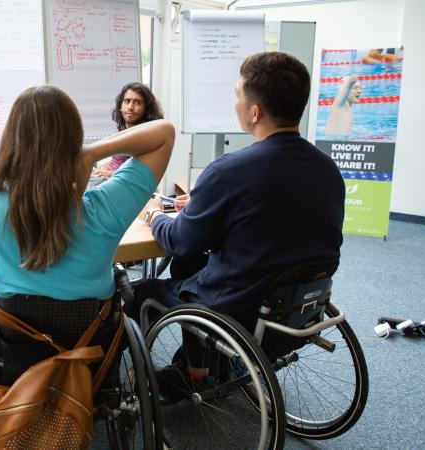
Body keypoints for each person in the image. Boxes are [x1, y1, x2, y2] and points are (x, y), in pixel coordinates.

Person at [133, 52, 344, 396]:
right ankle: (196, 368)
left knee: (142, 292)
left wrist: (154, 214)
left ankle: (141, 387)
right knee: (190, 266)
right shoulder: (327, 169)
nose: (236, 103)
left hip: (238, 304)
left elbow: (181, 241)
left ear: (255, 111)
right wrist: (206, 205)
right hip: (294, 305)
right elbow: (279, 216)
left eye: (237, 95)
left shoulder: (229, 171)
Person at [0, 85, 173, 302]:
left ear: (11, 139)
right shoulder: (104, 209)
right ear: (74, 139)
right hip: (93, 333)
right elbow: (165, 133)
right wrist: (92, 152)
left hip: (8, 332)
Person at [90, 82, 164, 185]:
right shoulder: (123, 129)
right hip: (108, 180)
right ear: (121, 105)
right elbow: (116, 160)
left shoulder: (146, 136)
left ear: (146, 108)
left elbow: (137, 176)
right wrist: (99, 170)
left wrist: (108, 174)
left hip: (123, 185)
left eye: (137, 102)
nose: (130, 107)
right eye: (127, 101)